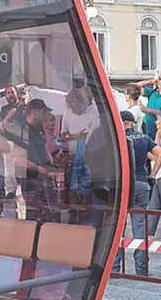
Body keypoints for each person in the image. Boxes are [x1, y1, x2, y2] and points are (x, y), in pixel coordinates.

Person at [113, 111, 161, 276]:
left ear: (124, 123)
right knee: (140, 228)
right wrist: (153, 174)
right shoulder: (143, 138)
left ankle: (115, 268)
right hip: (141, 182)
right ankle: (141, 269)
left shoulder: (117, 139)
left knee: (116, 228)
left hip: (121, 185)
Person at [6, 98, 58, 222]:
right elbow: (20, 160)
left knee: (51, 216)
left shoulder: (39, 130)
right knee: (33, 218)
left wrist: (52, 166)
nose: (45, 116)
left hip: (45, 179)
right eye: (43, 112)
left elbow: (45, 149)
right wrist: (41, 169)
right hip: (31, 181)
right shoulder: (22, 131)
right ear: (35, 112)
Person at [61, 87, 97, 223]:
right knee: (72, 183)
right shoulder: (67, 114)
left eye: (78, 103)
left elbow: (96, 130)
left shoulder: (92, 112)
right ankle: (73, 211)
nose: (76, 106)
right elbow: (63, 134)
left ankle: (86, 210)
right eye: (73, 104)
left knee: (86, 183)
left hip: (89, 153)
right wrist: (74, 136)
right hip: (73, 152)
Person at [135, 72, 161, 139]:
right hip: (146, 128)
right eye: (160, 79)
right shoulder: (153, 92)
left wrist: (147, 110)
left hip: (159, 130)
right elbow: (136, 86)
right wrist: (150, 82)